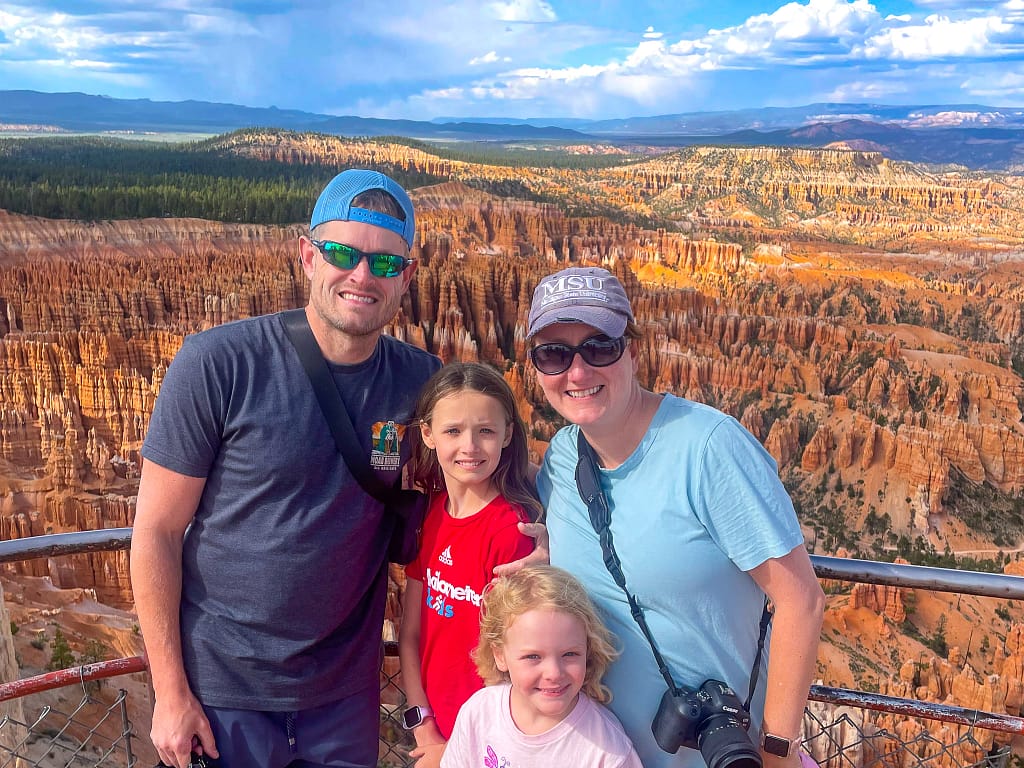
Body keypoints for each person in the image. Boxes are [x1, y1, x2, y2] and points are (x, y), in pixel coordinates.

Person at [130, 169, 442, 768]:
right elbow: (157, 533)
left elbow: (479, 492)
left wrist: (532, 542)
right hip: (224, 694)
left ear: (406, 275)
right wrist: (169, 692)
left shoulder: (423, 384)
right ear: (306, 254)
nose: (361, 276)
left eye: (384, 264)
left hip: (346, 697)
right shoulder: (217, 364)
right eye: (343, 254)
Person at [527, 266, 826, 768]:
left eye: (600, 347)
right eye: (554, 354)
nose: (577, 372)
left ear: (634, 351)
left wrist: (777, 753)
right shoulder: (560, 460)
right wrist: (540, 557)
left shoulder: (709, 448)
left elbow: (802, 600)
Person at [398, 362, 541, 768]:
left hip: (493, 743)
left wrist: (458, 750)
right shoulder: (431, 516)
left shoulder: (511, 531)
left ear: (508, 434)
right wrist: (423, 726)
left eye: (486, 431)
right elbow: (411, 635)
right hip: (435, 731)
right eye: (453, 431)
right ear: (427, 434)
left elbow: (516, 666)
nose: (471, 446)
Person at [440, 565, 642, 768]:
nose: (554, 673)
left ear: (588, 651)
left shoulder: (608, 751)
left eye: (569, 654)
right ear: (500, 655)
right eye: (533, 656)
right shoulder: (478, 713)